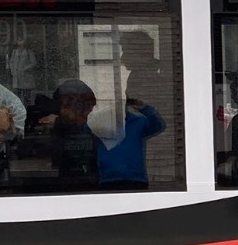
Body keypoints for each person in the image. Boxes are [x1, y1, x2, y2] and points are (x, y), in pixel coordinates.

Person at [37, 78, 165, 190]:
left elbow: (159, 125)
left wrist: (145, 107)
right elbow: (80, 129)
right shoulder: (100, 121)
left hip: (135, 179)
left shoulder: (138, 122)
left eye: (121, 102)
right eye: (114, 102)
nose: (117, 106)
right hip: (107, 179)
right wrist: (59, 121)